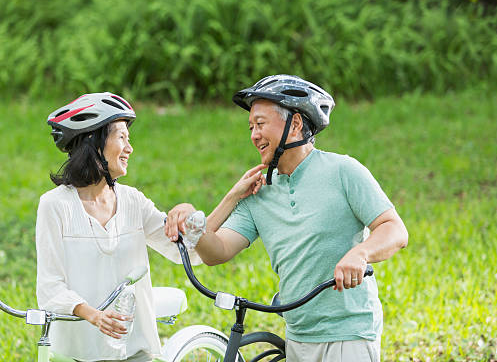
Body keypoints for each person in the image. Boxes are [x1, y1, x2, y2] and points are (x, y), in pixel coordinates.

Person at [165, 75, 409, 362]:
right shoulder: (258, 192)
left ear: (294, 124)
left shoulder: (344, 171)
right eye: (251, 126)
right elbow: (215, 251)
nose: (254, 134)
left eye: (261, 124)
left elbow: (395, 229)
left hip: (350, 331)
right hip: (298, 334)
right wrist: (191, 216)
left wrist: (361, 253)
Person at [36, 92, 200, 362]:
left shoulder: (133, 201)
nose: (129, 148)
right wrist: (94, 315)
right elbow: (50, 288)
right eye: (122, 137)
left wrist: (193, 217)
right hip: (78, 352)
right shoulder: (54, 205)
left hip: (135, 350)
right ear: (94, 141)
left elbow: (185, 251)